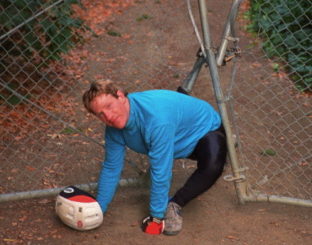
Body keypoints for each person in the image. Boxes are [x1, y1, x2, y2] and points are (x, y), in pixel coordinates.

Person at [82, 79, 228, 236]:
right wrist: (99, 209)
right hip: (172, 138)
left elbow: (161, 170)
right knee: (161, 152)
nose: (108, 116)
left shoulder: (156, 118)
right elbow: (112, 167)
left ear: (121, 96)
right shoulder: (114, 128)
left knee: (213, 165)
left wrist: (157, 216)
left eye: (109, 106)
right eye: (101, 114)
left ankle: (175, 204)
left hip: (202, 131)